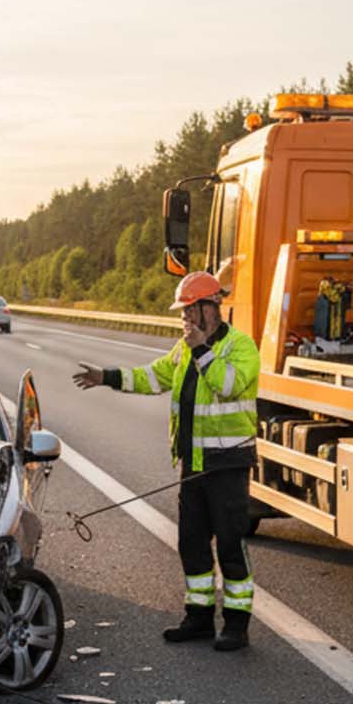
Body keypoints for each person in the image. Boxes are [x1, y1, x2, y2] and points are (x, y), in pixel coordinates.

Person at [72, 271, 261, 651]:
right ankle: (199, 617)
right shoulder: (182, 350)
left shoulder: (240, 346)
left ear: (211, 308)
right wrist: (105, 377)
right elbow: (152, 378)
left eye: (191, 311)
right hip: (192, 464)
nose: (185, 319)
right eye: (183, 313)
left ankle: (237, 625)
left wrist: (202, 350)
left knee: (229, 544)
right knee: (191, 542)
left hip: (227, 464)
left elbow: (228, 386)